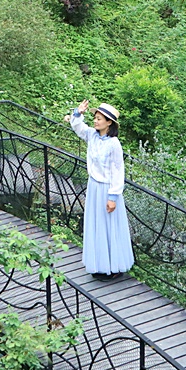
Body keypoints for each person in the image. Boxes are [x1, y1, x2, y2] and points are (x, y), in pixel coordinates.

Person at [65, 100, 135, 280]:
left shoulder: (114, 144)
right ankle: (99, 264)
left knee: (110, 226)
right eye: (95, 118)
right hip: (94, 186)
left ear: (109, 122)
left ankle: (113, 266)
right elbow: (78, 127)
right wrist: (78, 112)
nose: (95, 122)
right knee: (96, 225)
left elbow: (118, 171)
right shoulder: (92, 135)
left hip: (108, 189)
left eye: (99, 119)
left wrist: (113, 196)